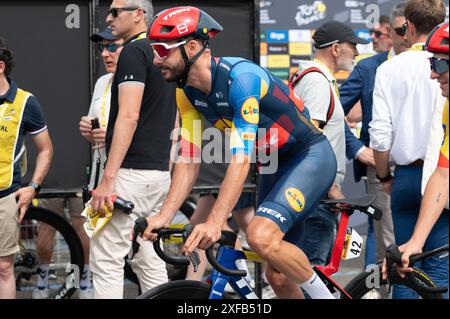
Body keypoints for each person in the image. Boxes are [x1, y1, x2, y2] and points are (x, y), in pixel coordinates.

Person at [142, 6, 347, 299]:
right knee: (276, 273)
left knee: (260, 236)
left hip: (309, 155)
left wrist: (214, 222)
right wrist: (163, 216)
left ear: (191, 47)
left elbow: (241, 158)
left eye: (162, 49)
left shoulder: (241, 80)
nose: (155, 59)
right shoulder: (185, 92)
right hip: (274, 165)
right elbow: (188, 160)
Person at [272, 20, 367, 298]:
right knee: (312, 278)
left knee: (303, 277)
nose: (356, 54)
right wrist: (326, 185)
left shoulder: (316, 78)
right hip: (314, 196)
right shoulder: (316, 80)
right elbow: (309, 140)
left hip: (308, 191)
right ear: (336, 49)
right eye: (352, 47)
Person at [89, 0, 177, 299]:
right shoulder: (163, 51)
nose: (109, 18)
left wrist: (108, 178)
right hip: (159, 174)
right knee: (150, 258)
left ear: (139, 14)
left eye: (115, 12)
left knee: (106, 259)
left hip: (128, 176)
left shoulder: (133, 52)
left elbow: (129, 115)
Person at [31, 26, 125, 300]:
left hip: (116, 176)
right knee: (55, 231)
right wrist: (89, 129)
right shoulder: (100, 83)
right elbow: (95, 128)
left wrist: (106, 135)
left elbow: (135, 128)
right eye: (102, 48)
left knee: (96, 238)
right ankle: (43, 278)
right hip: (93, 174)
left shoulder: (134, 80)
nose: (105, 53)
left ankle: (84, 277)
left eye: (112, 46)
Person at [369, 0, 447, 299]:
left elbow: (380, 136)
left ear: (409, 27)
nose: (435, 75)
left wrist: (384, 176)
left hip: (405, 177)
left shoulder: (389, 69)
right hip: (437, 174)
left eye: (440, 70)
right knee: (434, 269)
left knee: (406, 269)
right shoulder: (442, 74)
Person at [340, 2, 410, 267]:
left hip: (430, 168)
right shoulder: (368, 68)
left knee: (429, 242)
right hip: (383, 169)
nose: (405, 35)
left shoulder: (433, 64)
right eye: (399, 29)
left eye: (408, 29)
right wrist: (358, 149)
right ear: (389, 31)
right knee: (390, 246)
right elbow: (331, 114)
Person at [0, 37, 53, 299]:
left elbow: (46, 149)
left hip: (5, 197)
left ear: (0, 66)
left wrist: (33, 186)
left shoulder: (25, 102)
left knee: (3, 268)